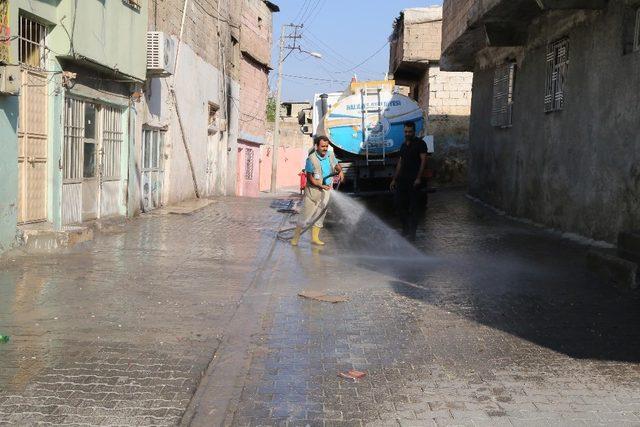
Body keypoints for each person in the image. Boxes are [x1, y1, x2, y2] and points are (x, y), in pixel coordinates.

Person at [291, 136, 344, 246]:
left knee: (321, 213)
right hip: (313, 190)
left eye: (326, 146)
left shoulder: (330, 155)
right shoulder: (311, 159)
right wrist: (320, 185)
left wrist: (340, 171)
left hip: (326, 189)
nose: (325, 148)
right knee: (306, 214)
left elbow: (336, 165)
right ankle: (295, 238)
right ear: (317, 146)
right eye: (322, 146)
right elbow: (310, 178)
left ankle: (315, 238)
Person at [390, 122, 428, 241]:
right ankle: (405, 228)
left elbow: (423, 161)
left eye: (410, 131)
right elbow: (400, 163)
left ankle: (412, 233)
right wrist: (394, 179)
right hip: (402, 180)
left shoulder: (420, 144)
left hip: (414, 181)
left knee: (414, 207)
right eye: (406, 131)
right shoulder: (403, 146)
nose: (407, 134)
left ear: (414, 131)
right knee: (398, 205)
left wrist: (418, 178)